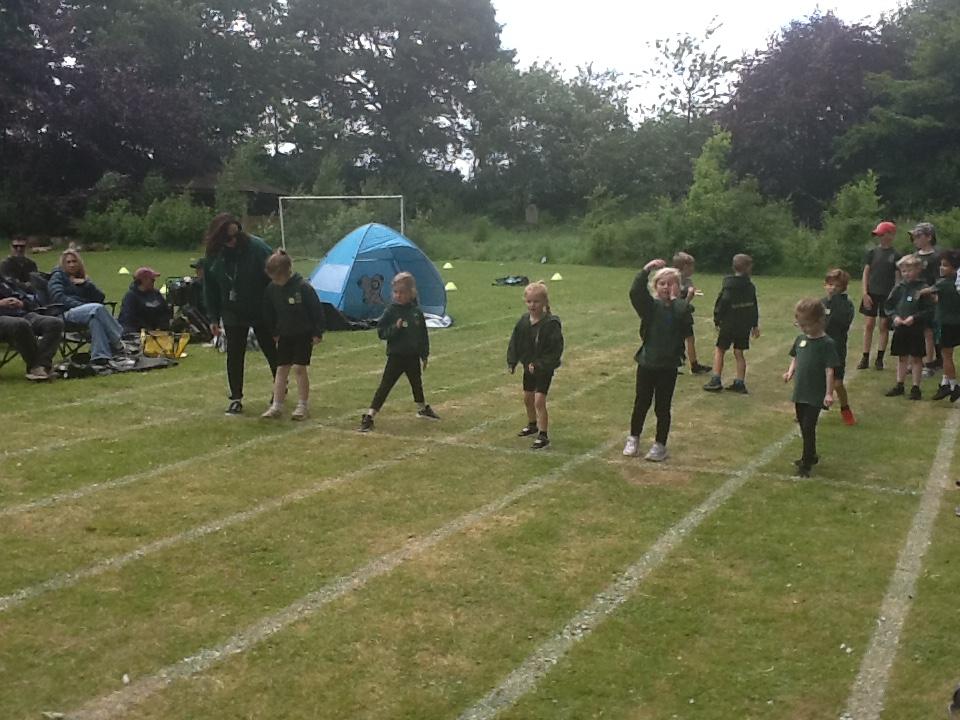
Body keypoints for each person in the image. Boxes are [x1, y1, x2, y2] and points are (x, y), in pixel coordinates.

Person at [202, 213, 278, 415]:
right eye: (228, 238)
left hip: (261, 307)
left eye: (236, 236)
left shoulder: (258, 248)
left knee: (271, 349)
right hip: (232, 310)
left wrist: (277, 310)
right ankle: (236, 398)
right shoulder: (213, 254)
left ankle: (279, 388)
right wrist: (213, 317)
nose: (233, 241)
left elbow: (276, 278)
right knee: (235, 354)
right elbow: (210, 287)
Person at [623, 259, 688, 462]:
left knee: (662, 407)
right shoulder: (651, 308)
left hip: (668, 366)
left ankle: (660, 444)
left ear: (678, 287)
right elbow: (635, 293)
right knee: (641, 402)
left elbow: (682, 315)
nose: (666, 287)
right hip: (647, 363)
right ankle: (633, 438)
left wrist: (677, 299)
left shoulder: (680, 308)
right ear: (655, 286)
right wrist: (645, 271)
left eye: (671, 284)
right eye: (662, 283)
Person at [359, 272, 439, 432]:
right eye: (396, 292)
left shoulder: (416, 312)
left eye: (402, 292)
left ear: (411, 293)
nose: (398, 295)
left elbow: (422, 335)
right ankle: (369, 415)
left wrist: (424, 354)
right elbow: (382, 332)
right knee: (385, 386)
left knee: (416, 384)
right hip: (396, 356)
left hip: (412, 356)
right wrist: (395, 328)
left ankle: (422, 408)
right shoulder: (391, 311)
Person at [260, 251, 325, 420]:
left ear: (286, 272)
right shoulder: (272, 289)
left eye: (276, 278)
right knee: (281, 369)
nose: (274, 281)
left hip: (303, 334)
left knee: (299, 368)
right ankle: (277, 405)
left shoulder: (303, 287)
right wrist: (274, 332)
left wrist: (317, 332)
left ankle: (302, 405)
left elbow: (317, 310)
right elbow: (268, 311)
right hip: (284, 335)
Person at [783, 298, 840, 478]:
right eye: (799, 325)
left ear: (819, 321)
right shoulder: (800, 340)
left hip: (815, 393)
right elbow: (795, 358)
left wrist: (829, 393)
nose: (803, 329)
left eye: (806, 325)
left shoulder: (827, 344)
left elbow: (830, 370)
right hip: (801, 390)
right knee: (802, 423)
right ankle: (811, 455)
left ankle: (806, 462)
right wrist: (790, 372)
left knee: (808, 426)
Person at [507, 281, 564, 450]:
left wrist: (540, 364)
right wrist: (512, 361)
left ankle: (543, 434)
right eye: (529, 301)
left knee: (539, 400)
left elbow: (555, 350)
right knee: (528, 398)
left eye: (536, 301)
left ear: (544, 302)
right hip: (528, 367)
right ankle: (532, 424)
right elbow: (515, 342)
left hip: (544, 369)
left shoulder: (551, 324)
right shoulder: (524, 321)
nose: (532, 305)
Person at [47, 249, 125, 365]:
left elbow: (100, 297)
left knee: (95, 320)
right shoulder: (57, 277)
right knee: (97, 309)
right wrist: (83, 306)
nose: (72, 265)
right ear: (63, 264)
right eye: (68, 262)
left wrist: (86, 284)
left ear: (79, 263)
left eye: (74, 261)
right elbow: (58, 297)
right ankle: (117, 341)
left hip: (85, 313)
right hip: (64, 314)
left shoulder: (82, 277)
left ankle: (99, 356)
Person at [703, 253, 760, 394]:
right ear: (748, 268)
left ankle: (716, 380)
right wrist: (754, 324)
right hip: (744, 324)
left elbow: (722, 302)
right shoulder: (750, 286)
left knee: (720, 350)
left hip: (729, 323)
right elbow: (753, 306)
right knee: (739, 352)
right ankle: (740, 382)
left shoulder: (728, 286)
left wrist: (717, 319)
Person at [884, 254, 934, 399]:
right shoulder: (899, 288)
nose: (906, 274)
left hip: (916, 328)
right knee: (902, 357)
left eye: (910, 270)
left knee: (916, 358)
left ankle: (915, 387)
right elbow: (889, 305)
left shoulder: (923, 288)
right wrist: (895, 317)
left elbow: (929, 309)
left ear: (918, 270)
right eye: (904, 271)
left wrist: (915, 318)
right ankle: (899, 384)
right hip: (901, 327)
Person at [0, 276, 63, 380]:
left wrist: (21, 303)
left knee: (54, 323)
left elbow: (30, 301)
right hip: (3, 319)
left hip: (23, 315)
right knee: (20, 324)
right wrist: (1, 303)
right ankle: (37, 367)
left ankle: (42, 366)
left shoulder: (5, 282)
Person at [858, 221, 901, 371]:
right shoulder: (872, 253)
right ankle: (865, 357)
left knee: (883, 325)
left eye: (882, 235)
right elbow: (866, 273)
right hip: (872, 293)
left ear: (891, 235)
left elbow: (897, 278)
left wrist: (894, 296)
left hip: (887, 295)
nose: (880, 238)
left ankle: (879, 358)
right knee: (869, 324)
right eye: (879, 235)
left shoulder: (896, 255)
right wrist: (865, 293)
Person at [920, 250, 960, 401]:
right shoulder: (956, 283)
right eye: (941, 265)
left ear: (954, 268)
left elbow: (926, 291)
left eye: (945, 265)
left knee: (946, 356)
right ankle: (945, 384)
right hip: (955, 322)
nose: (941, 268)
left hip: (945, 324)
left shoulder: (943, 283)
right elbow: (941, 300)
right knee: (948, 353)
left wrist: (918, 291)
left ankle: (954, 386)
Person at [822, 268, 856, 425]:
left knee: (837, 383)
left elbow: (843, 322)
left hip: (837, 347)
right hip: (820, 346)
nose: (832, 288)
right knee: (816, 379)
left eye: (837, 285)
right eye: (830, 284)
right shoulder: (822, 303)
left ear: (843, 287)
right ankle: (809, 409)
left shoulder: (846, 304)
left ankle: (845, 407)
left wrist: (834, 303)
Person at [909, 222, 941, 376]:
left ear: (929, 237)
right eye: (914, 236)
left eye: (918, 236)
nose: (915, 239)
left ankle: (929, 363)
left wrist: (933, 293)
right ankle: (915, 362)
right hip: (915, 298)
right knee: (914, 331)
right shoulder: (914, 256)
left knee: (928, 332)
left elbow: (939, 279)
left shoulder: (936, 257)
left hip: (929, 299)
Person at [672, 251, 711, 374]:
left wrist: (691, 294)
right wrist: (688, 297)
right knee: (675, 339)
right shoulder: (674, 280)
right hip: (676, 315)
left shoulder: (687, 280)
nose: (693, 269)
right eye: (691, 266)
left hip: (685, 314)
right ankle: (673, 364)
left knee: (690, 338)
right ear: (684, 267)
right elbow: (675, 302)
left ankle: (694, 365)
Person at [118, 266, 171, 335]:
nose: (154, 281)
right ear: (143, 280)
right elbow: (127, 320)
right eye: (152, 280)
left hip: (158, 333)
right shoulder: (131, 297)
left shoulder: (156, 294)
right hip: (138, 334)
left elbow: (165, 312)